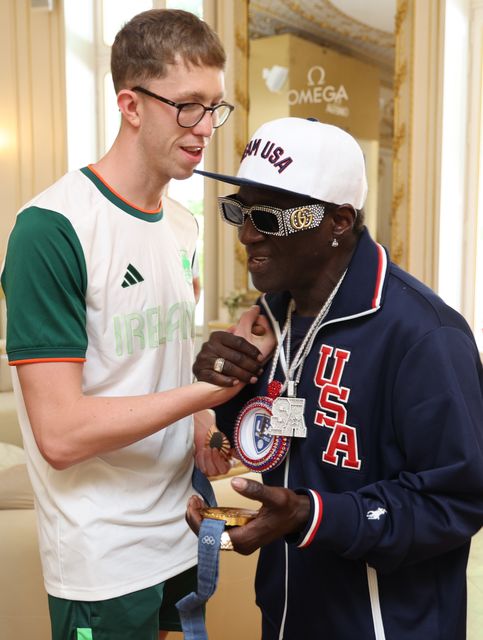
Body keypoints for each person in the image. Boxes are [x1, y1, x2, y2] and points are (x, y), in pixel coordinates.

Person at [0, 9, 271, 640]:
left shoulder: (184, 225)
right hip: (103, 560)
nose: (206, 128)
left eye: (216, 108)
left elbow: (163, 365)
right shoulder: (51, 229)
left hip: (181, 530)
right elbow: (60, 435)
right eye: (189, 106)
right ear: (130, 103)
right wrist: (210, 392)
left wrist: (207, 425)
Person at [187, 116, 483, 640]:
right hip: (285, 615)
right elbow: (277, 445)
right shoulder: (270, 321)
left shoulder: (424, 334)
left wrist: (314, 515)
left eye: (271, 216)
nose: (247, 232)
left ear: (339, 221)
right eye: (239, 210)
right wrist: (227, 394)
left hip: (389, 625)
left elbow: (456, 499)